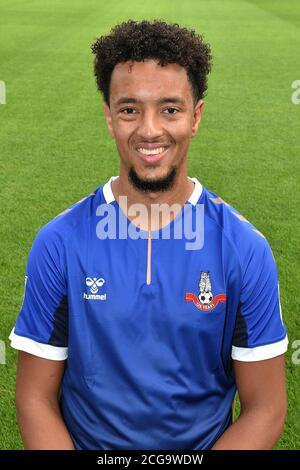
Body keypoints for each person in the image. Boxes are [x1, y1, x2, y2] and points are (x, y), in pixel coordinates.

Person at [9, 19, 288, 450]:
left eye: (170, 109)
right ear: (109, 117)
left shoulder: (245, 250)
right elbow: (34, 397)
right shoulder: (59, 243)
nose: (150, 130)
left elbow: (265, 408)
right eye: (129, 109)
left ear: (195, 117)